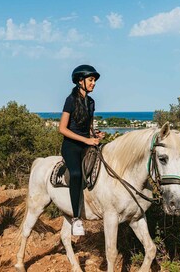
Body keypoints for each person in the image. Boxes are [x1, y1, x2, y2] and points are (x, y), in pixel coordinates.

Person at [58, 64, 105, 236]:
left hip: (86, 144)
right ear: (80, 81)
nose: (94, 83)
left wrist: (96, 134)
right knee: (76, 174)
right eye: (91, 80)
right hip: (71, 146)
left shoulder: (91, 102)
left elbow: (89, 127)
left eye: (94, 80)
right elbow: (62, 129)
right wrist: (86, 139)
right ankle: (76, 218)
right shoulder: (70, 100)